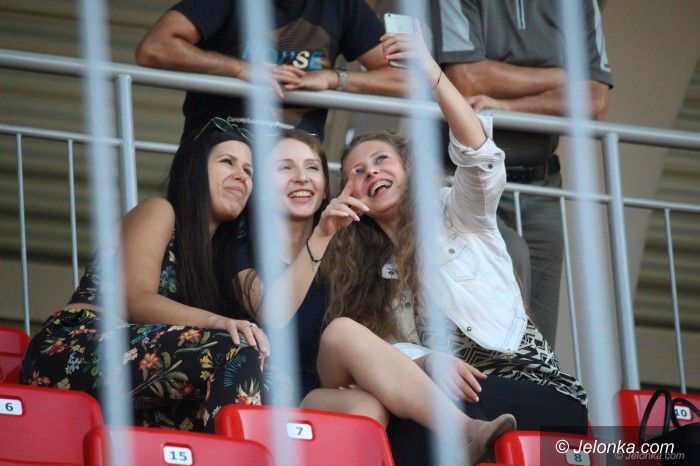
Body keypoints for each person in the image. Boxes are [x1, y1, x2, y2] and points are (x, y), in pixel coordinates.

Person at [303, 22, 588, 465]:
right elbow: (371, 357)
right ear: (350, 194)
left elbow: (480, 158)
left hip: (527, 390)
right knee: (374, 401)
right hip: (441, 399)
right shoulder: (360, 268)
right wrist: (426, 361)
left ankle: (466, 432)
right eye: (356, 171)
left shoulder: (459, 214)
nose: (371, 172)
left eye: (381, 160)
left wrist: (431, 72)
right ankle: (465, 432)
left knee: (408, 427)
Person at [20, 119, 269, 433]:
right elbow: (135, 300)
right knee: (235, 351)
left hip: (134, 381)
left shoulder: (218, 260)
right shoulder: (160, 210)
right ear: (194, 171)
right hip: (72, 348)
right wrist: (218, 322)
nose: (241, 175)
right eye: (227, 162)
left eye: (249, 170)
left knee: (265, 375)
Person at [431, 0, 613, 345]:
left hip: (541, 187)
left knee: (539, 336)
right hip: (468, 183)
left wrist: (508, 105)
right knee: (473, 329)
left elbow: (594, 100)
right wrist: (563, 77)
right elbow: (466, 80)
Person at [135, 0, 406, 139]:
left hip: (295, 167)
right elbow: (154, 48)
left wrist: (333, 78)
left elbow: (406, 80)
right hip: (216, 152)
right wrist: (242, 70)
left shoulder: (342, 5)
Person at [234, 128, 367, 402]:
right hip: (258, 392)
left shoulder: (346, 250)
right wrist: (322, 235)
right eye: (285, 167)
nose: (302, 177)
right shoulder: (240, 242)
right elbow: (272, 312)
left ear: (325, 187)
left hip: (317, 391)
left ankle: (461, 424)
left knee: (365, 404)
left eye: (312, 167)